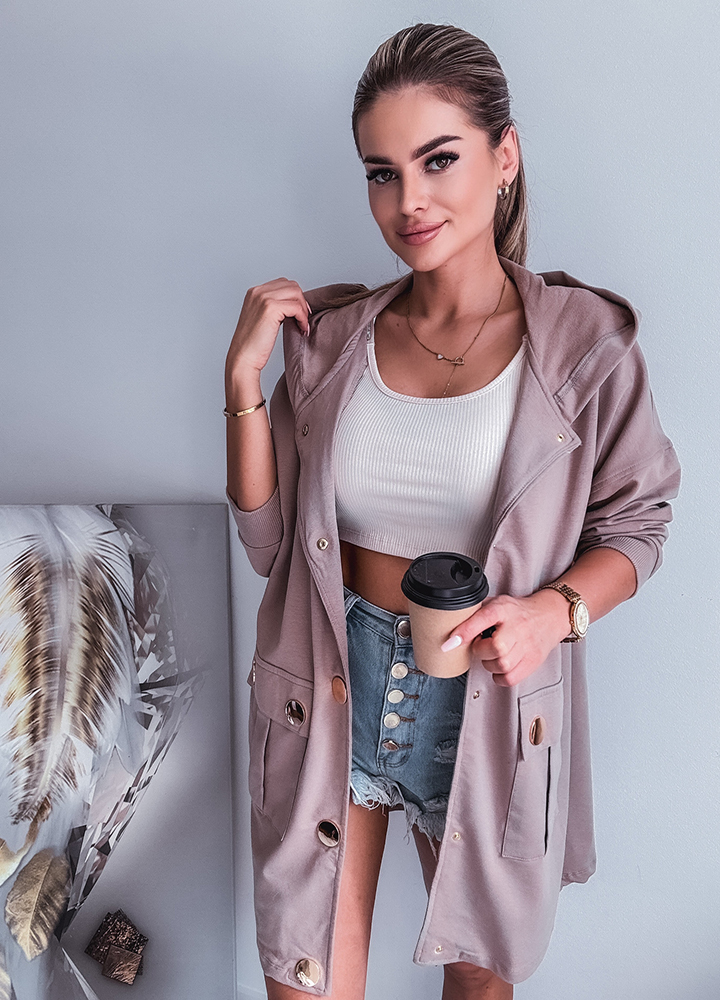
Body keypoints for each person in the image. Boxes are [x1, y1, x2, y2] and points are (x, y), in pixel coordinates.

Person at [225, 23, 680, 1000]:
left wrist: (553, 612)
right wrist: (242, 384)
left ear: (504, 155)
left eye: (439, 160)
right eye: (381, 173)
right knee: (304, 980)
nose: (409, 201)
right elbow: (268, 545)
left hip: (485, 697)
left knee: (480, 986)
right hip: (327, 678)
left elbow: (638, 524)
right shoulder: (333, 340)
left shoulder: (584, 345)